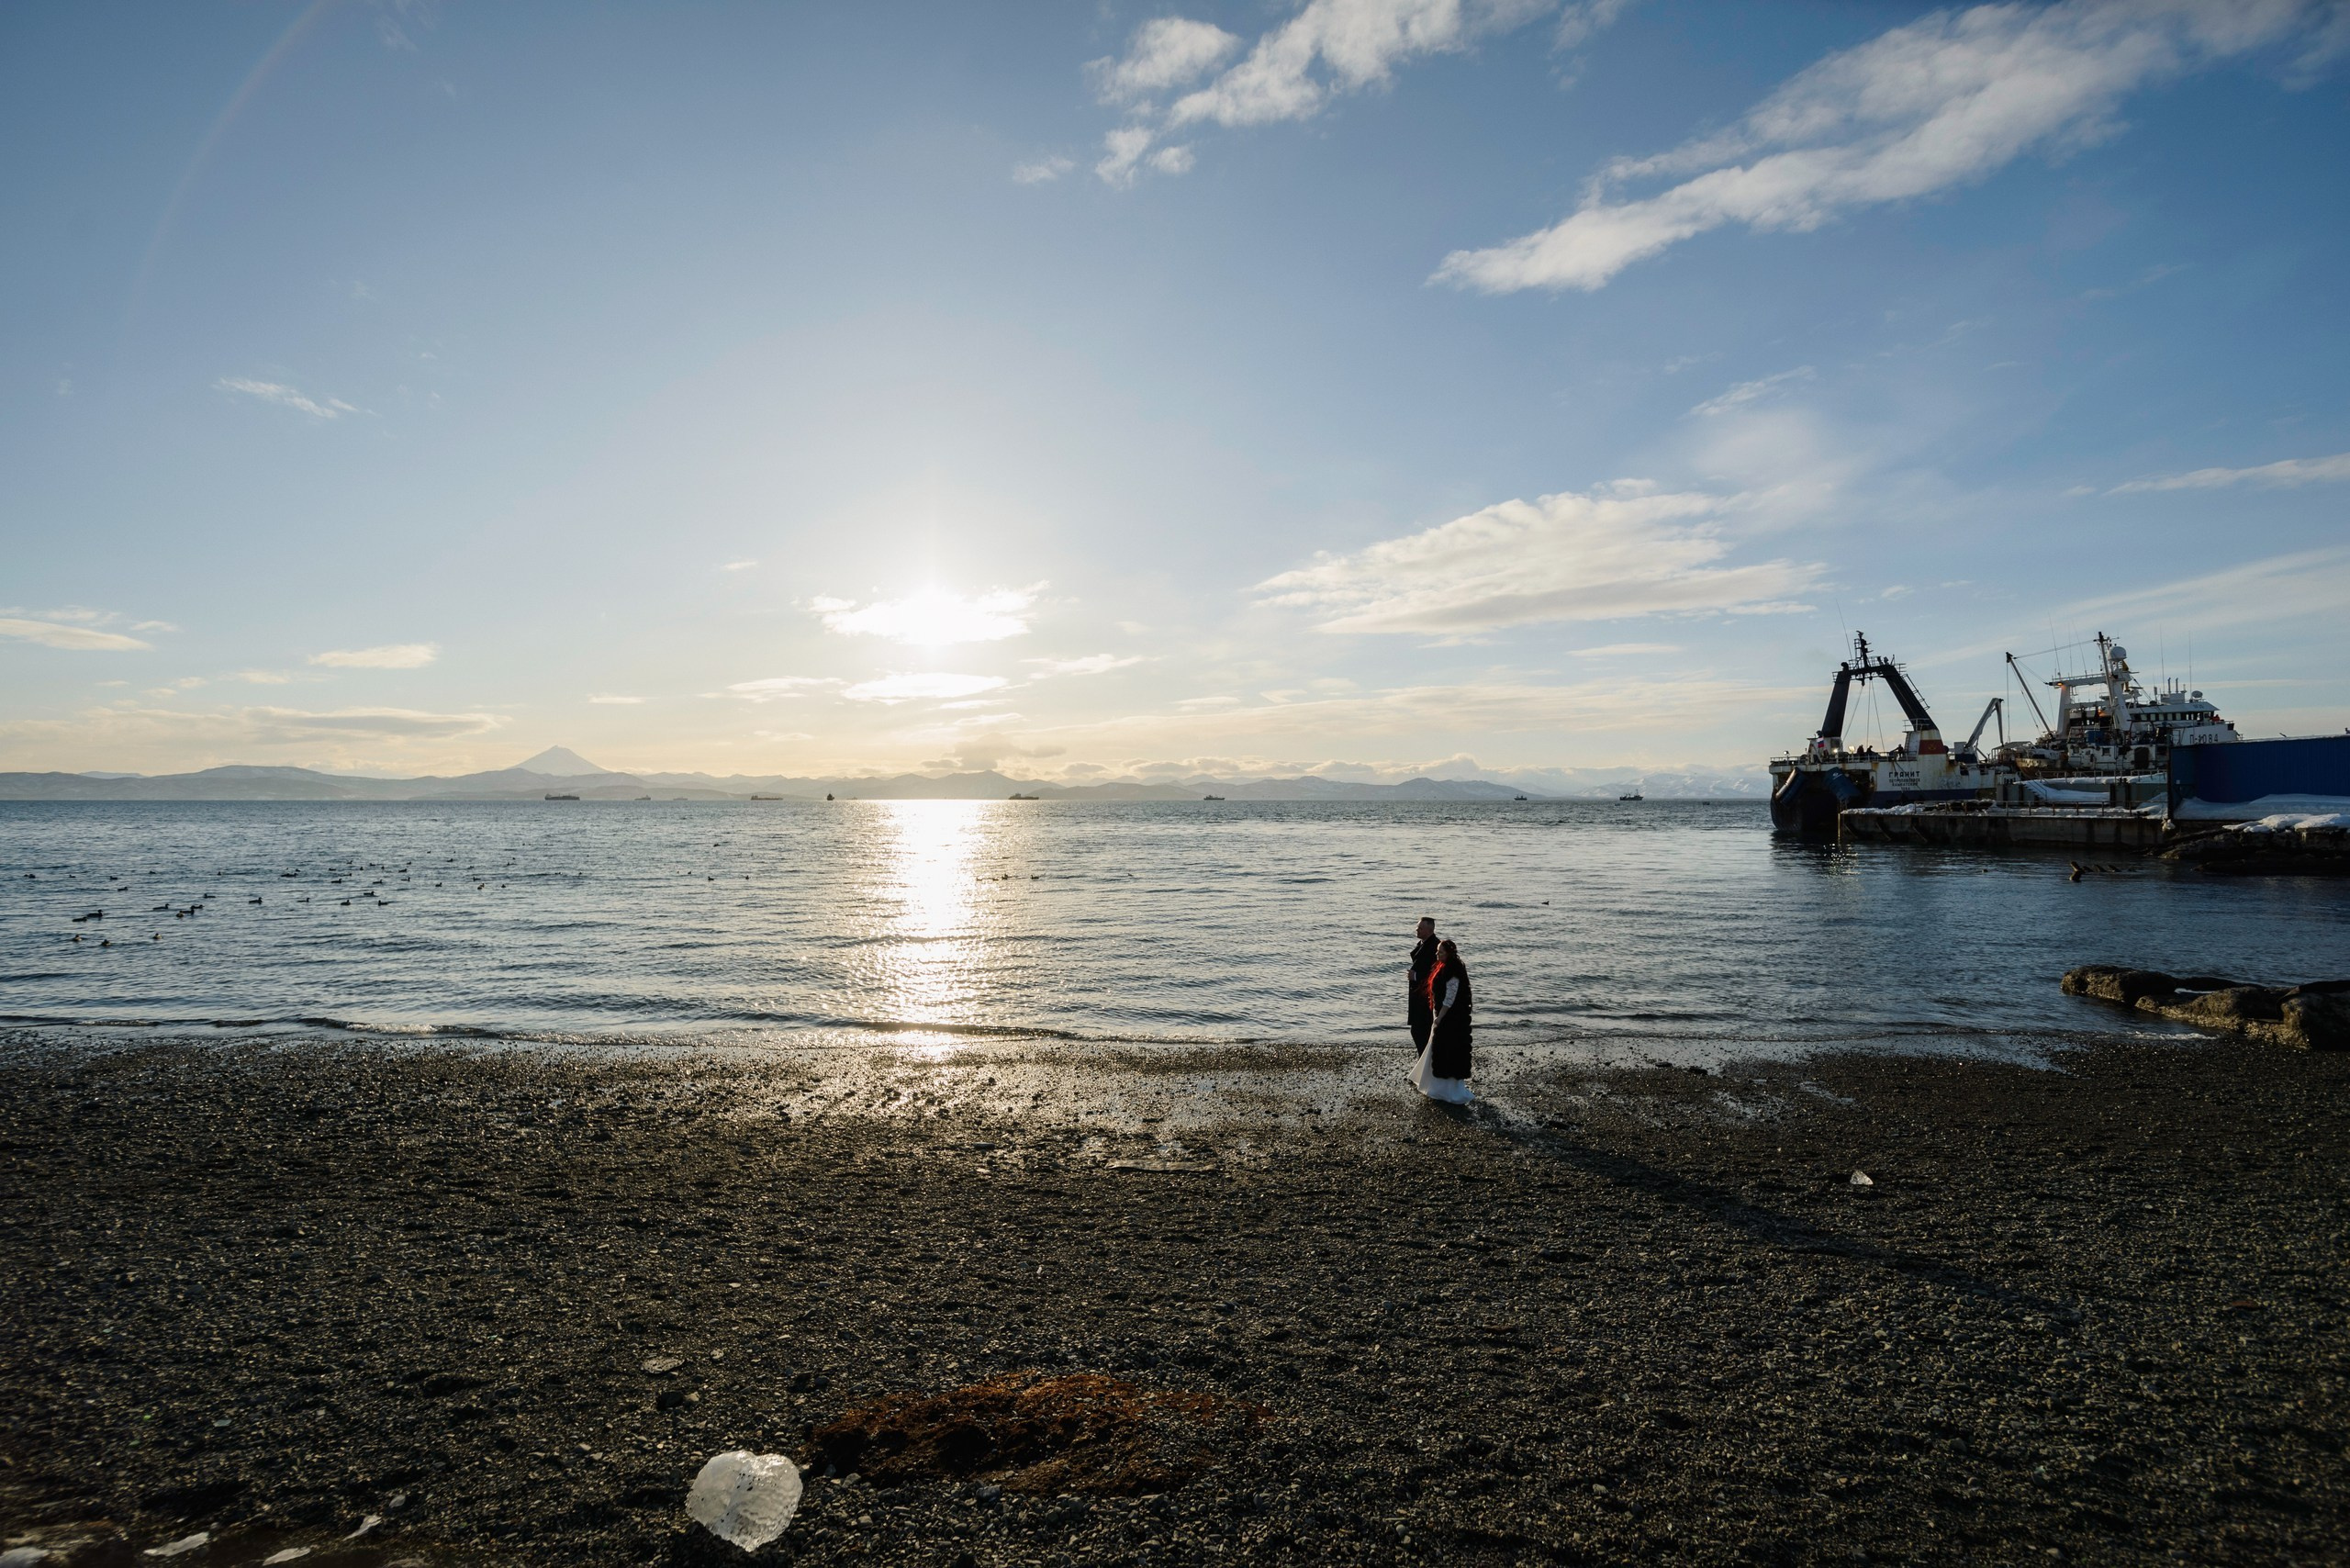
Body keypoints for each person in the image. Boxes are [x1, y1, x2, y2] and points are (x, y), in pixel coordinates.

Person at [1411, 937, 1474, 1104]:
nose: (1437, 954)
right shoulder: (1443, 967)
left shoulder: (1453, 971)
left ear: (1449, 954)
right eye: (1437, 951)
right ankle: (1431, 1083)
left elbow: (1450, 998)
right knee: (1435, 1048)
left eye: (1441, 952)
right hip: (1439, 1012)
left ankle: (1444, 1090)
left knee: (1444, 1050)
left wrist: (1440, 1017)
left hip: (1449, 1019)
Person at [1407, 916, 1439, 1053]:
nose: (1417, 929)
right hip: (1419, 994)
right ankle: (1424, 1060)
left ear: (1429, 930)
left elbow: (1436, 974)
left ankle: (1425, 1061)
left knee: (1420, 1030)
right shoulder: (1423, 944)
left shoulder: (1434, 947)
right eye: (1417, 927)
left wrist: (1415, 976)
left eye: (1420, 928)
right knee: (1417, 1030)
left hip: (1426, 995)